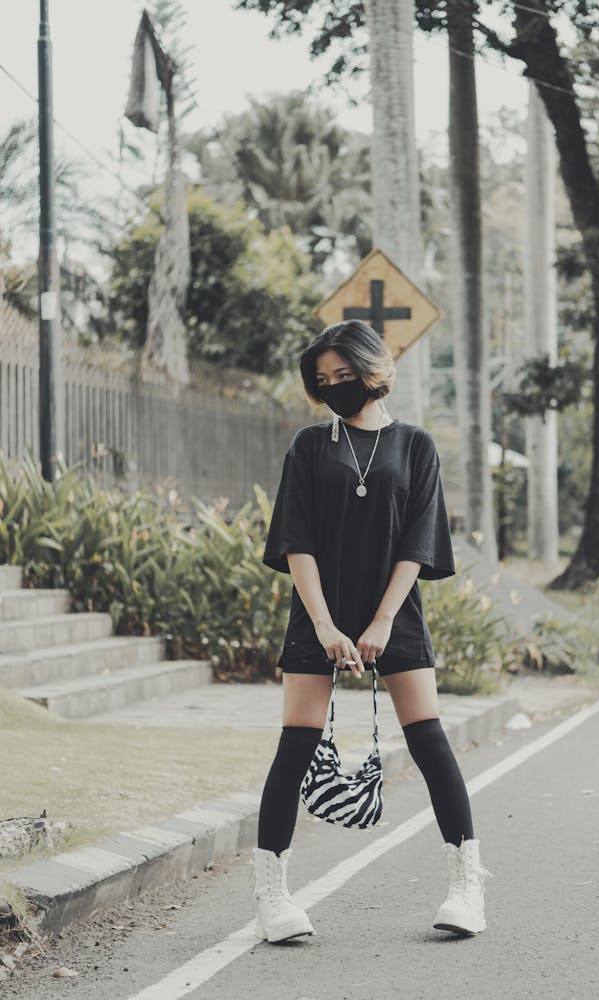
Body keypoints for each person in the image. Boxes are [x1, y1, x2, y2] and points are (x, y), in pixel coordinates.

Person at [253, 319, 490, 943]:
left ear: (373, 372)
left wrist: (382, 620)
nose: (334, 388)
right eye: (323, 381)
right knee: (295, 748)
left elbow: (417, 542)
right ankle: (272, 897)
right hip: (317, 609)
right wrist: (325, 622)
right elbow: (296, 538)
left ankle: (467, 886)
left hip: (396, 609)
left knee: (431, 742)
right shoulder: (309, 446)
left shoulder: (415, 446)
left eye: (344, 376)